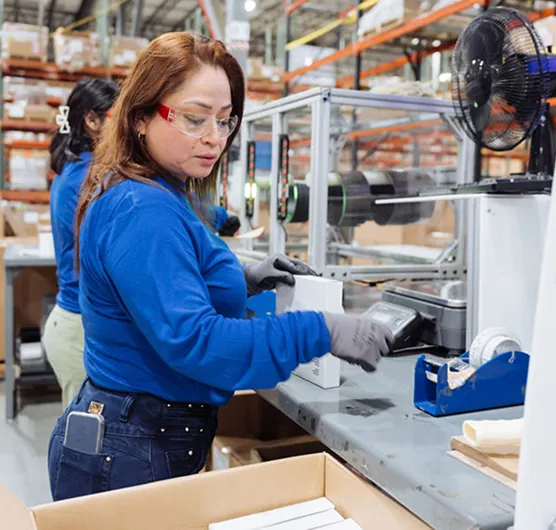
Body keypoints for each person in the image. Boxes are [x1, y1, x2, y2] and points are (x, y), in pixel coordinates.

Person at [47, 33, 394, 501]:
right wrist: (322, 330)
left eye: (225, 121)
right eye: (194, 118)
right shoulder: (141, 208)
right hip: (131, 448)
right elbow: (196, 341)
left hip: (138, 433)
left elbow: (158, 292)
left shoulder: (161, 187)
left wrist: (244, 281)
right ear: (142, 117)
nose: (214, 137)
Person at [43, 79, 119, 409]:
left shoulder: (76, 170)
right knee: (84, 445)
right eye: (120, 117)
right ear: (91, 120)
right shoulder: (87, 176)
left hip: (75, 323)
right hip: (78, 328)